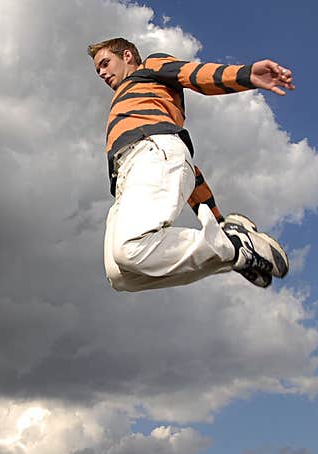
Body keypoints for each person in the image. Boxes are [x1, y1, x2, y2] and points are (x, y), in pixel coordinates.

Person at [88, 37, 293, 292]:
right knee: (121, 276)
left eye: (105, 63)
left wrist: (246, 74)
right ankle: (237, 251)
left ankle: (233, 244)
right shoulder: (128, 100)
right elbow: (187, 175)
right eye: (98, 70)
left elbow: (191, 73)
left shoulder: (149, 67)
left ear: (127, 55)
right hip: (128, 174)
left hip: (151, 148)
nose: (102, 73)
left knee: (131, 248)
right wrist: (219, 221)